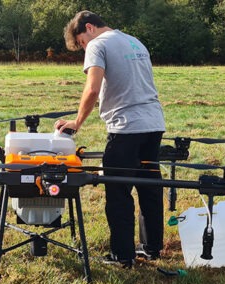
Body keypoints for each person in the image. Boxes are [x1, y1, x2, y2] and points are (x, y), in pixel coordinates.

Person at [54, 10, 165, 268]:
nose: (84, 48)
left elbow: (92, 88)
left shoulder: (98, 45)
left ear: (89, 28)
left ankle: (122, 256)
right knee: (149, 187)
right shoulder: (134, 41)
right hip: (154, 123)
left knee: (118, 191)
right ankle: (151, 248)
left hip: (126, 128)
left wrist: (76, 123)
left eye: (81, 42)